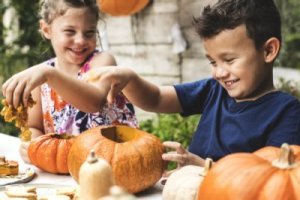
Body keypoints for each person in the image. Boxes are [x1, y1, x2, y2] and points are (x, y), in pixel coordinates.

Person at [83, 0, 300, 167]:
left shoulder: (286, 112)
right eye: (212, 62)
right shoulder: (213, 90)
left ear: (269, 50)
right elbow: (157, 98)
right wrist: (128, 77)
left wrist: (204, 168)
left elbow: (273, 179)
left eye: (229, 60)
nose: (219, 72)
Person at [1, 0, 138, 163]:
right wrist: (31, 144)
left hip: (116, 163)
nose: (80, 40)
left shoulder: (102, 62)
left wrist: (49, 75)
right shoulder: (43, 77)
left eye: (89, 33)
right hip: (67, 170)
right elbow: (34, 127)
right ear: (46, 29)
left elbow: (95, 102)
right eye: (70, 31)